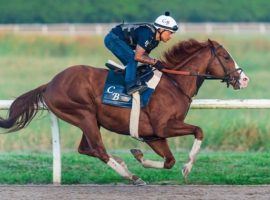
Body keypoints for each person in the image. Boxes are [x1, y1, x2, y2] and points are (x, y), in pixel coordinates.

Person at [104, 11, 178, 95]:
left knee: (144, 65)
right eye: (170, 32)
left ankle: (126, 74)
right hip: (112, 38)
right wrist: (155, 62)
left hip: (118, 40)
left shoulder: (155, 41)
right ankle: (130, 86)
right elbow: (138, 57)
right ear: (161, 29)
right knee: (132, 59)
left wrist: (153, 62)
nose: (171, 36)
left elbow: (144, 55)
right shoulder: (148, 34)